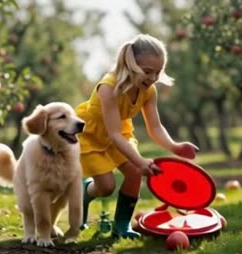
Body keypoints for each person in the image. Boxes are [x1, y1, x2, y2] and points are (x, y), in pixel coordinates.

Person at [76, 34, 199, 239]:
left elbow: (155, 127)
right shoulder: (109, 88)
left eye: (158, 72)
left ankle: (122, 225)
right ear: (130, 65)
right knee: (106, 187)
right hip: (93, 134)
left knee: (134, 172)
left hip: (119, 132)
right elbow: (112, 134)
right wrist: (141, 160)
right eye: (147, 71)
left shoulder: (149, 91)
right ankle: (85, 192)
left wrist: (174, 146)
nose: (152, 78)